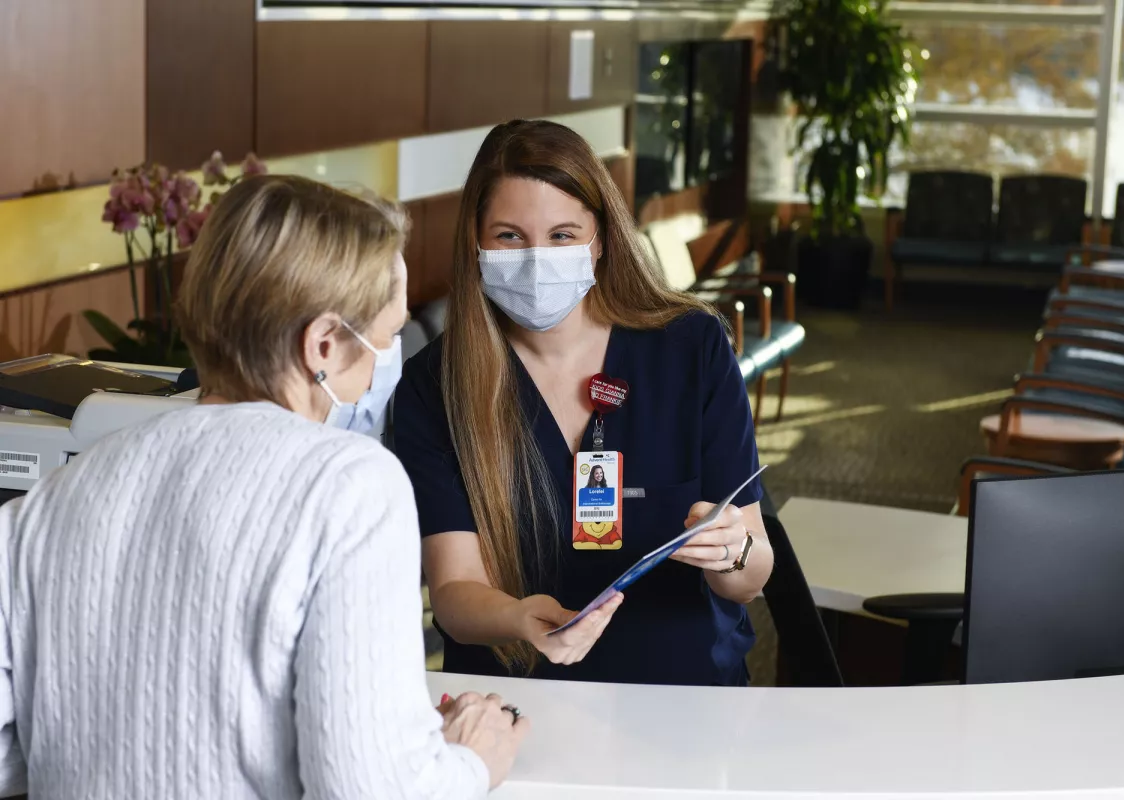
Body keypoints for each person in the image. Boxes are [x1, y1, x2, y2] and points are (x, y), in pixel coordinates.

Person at [0, 175, 527, 798]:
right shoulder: (351, 488)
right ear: (323, 344)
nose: (390, 357)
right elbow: (370, 788)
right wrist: (469, 759)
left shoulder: (53, 499)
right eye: (387, 337)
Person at [392, 120, 775, 686]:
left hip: (686, 698)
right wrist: (518, 619)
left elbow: (753, 575)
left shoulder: (690, 347)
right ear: (475, 242)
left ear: (600, 240)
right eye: (509, 236)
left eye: (563, 235)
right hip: (522, 699)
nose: (536, 258)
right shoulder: (436, 384)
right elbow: (452, 593)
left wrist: (732, 553)